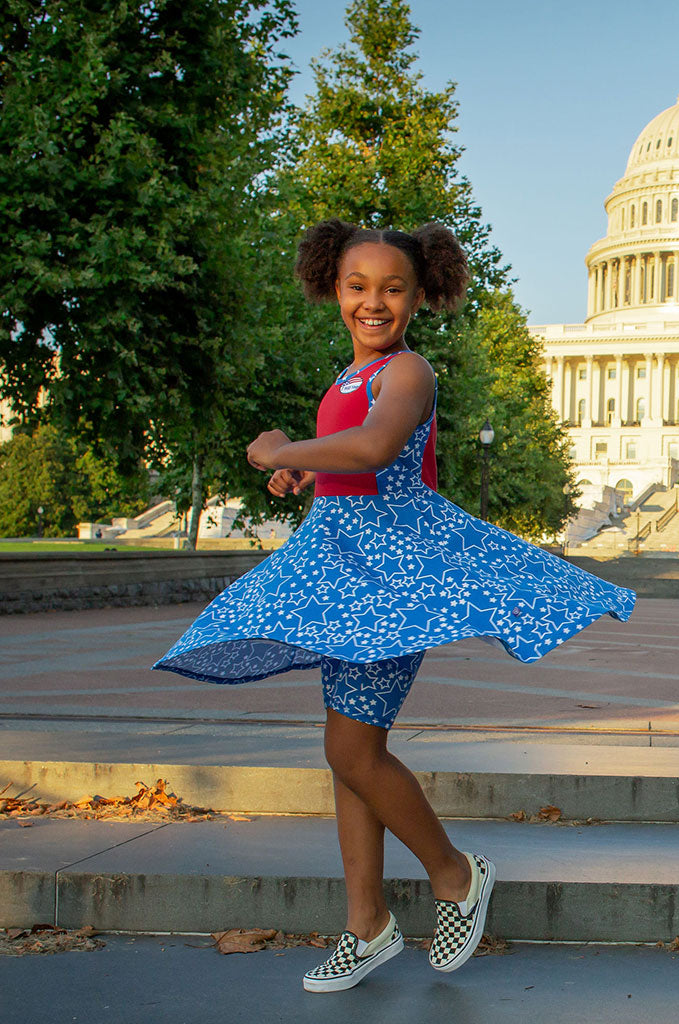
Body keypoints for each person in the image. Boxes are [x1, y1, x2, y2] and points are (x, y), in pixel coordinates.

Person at [154, 220, 635, 993]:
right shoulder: (343, 380)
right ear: (331, 288)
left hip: (390, 580)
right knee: (349, 757)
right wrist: (303, 473)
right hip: (339, 571)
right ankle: (367, 924)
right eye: (357, 286)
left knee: (351, 753)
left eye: (393, 289)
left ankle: (453, 874)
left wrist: (278, 450)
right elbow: (348, 459)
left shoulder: (408, 373)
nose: (373, 302)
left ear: (420, 296)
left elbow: (377, 451)